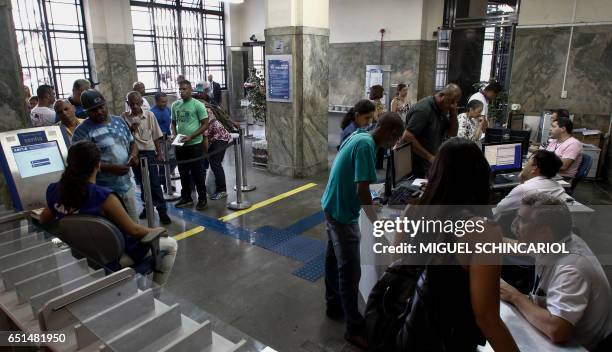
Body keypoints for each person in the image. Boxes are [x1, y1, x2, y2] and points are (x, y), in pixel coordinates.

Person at [394, 137, 520, 351]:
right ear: (480, 177)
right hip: (451, 340)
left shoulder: (412, 212)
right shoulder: (482, 231)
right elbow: (487, 318)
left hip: (411, 333)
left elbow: (398, 270)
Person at [38, 141, 177, 286]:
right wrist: (157, 231)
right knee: (171, 245)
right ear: (98, 165)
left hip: (79, 255)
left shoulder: (54, 190)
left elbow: (43, 219)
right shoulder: (104, 197)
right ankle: (156, 292)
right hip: (112, 259)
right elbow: (133, 230)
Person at [321, 112, 405, 349]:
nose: (395, 144)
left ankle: (333, 304)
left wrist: (368, 204)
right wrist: (375, 219)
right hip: (342, 213)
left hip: (330, 204)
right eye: (396, 138)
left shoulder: (359, 135)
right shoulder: (368, 146)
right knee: (350, 272)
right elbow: (362, 190)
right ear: (391, 133)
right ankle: (354, 329)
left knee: (331, 258)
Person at [501, 193, 612, 350]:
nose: (515, 225)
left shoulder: (572, 268)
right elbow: (516, 246)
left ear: (545, 232)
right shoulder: (554, 240)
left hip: (580, 345)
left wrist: (515, 296)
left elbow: (557, 330)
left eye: (523, 220)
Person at [72, 89, 140, 221]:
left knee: (132, 223)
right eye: (93, 110)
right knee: (112, 229)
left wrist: (134, 155)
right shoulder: (81, 132)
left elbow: (132, 142)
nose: (99, 112)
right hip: (103, 191)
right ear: (86, 112)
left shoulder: (119, 121)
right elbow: (81, 163)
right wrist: (110, 168)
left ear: (106, 104)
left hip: (127, 186)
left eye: (101, 107)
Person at [122, 91, 171, 225]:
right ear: (128, 104)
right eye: (132, 104)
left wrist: (159, 153)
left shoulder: (149, 115)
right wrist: (132, 128)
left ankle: (162, 210)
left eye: (138, 103)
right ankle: (146, 206)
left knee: (154, 182)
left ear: (142, 102)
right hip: (135, 154)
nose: (136, 107)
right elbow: (125, 138)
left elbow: (155, 135)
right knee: (142, 183)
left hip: (149, 151)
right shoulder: (124, 117)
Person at [398, 83, 461, 177]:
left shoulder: (442, 109)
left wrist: (453, 113)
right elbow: (407, 136)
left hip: (426, 164)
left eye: (456, 102)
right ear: (441, 96)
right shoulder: (423, 110)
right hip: (412, 164)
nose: (453, 105)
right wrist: (429, 157)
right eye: (451, 101)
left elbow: (452, 133)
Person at [494, 150, 568, 218]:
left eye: (527, 162)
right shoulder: (559, 187)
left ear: (535, 168)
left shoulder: (524, 189)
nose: (524, 166)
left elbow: (499, 209)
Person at [171, 80, 209, 210]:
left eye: (184, 89)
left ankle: (202, 198)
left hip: (194, 145)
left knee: (198, 173)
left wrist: (191, 136)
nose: (182, 91)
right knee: (183, 172)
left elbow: (205, 124)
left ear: (190, 90)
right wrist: (175, 134)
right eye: (180, 89)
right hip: (180, 146)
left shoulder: (197, 105)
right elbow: (173, 122)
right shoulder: (175, 105)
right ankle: (186, 197)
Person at [202, 99, 231, 200]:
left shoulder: (203, 111)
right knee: (214, 164)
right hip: (214, 138)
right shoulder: (202, 108)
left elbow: (205, 135)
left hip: (220, 137)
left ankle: (222, 190)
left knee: (215, 163)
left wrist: (206, 153)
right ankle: (213, 188)